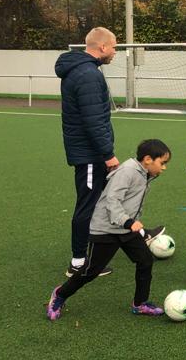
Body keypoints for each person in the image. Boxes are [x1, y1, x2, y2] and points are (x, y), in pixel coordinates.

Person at [45, 139, 170, 321]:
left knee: (145, 261)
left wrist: (129, 222)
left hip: (124, 228)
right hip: (106, 229)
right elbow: (112, 200)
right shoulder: (128, 171)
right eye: (163, 163)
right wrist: (128, 222)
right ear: (148, 159)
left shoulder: (144, 173)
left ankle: (140, 303)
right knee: (91, 271)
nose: (164, 168)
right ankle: (60, 295)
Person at [55, 26, 120, 278]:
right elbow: (93, 120)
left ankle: (135, 237)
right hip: (90, 155)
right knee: (88, 205)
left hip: (91, 152)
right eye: (113, 46)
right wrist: (107, 154)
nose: (115, 52)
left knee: (106, 199)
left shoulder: (82, 70)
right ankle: (79, 263)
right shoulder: (88, 75)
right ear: (102, 47)